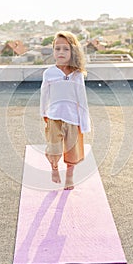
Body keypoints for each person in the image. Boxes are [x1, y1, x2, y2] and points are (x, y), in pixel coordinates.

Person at [40, 31, 91, 190]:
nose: (61, 52)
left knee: (72, 152)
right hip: (54, 118)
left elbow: (82, 99)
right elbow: (44, 95)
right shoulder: (49, 73)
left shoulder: (77, 74)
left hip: (73, 119)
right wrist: (44, 114)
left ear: (73, 51)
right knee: (54, 149)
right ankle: (54, 169)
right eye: (57, 49)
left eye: (66, 49)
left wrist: (84, 123)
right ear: (53, 51)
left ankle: (69, 177)